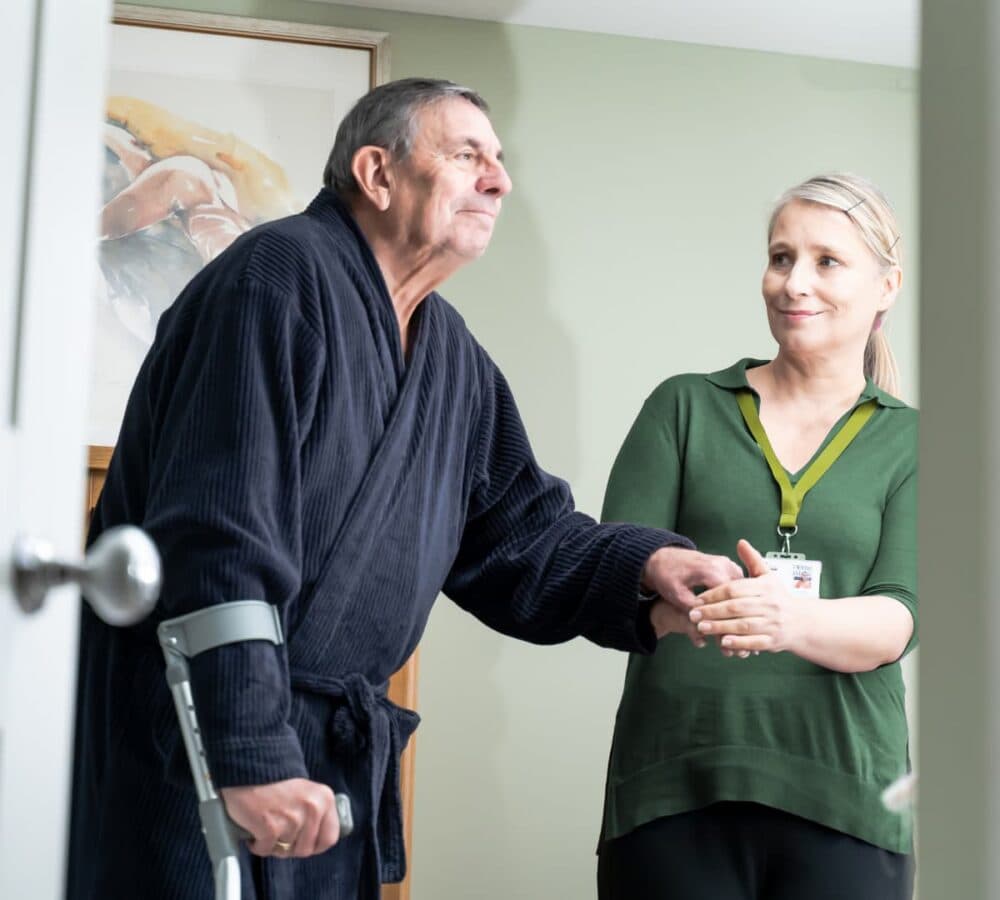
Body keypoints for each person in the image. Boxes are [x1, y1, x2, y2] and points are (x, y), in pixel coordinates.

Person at [68, 78, 741, 900]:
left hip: (322, 767)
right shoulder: (272, 280)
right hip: (198, 733)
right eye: (468, 156)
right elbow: (217, 536)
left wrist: (647, 573)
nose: (499, 180)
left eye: (499, 161)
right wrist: (246, 753)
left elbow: (521, 539)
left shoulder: (451, 357)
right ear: (378, 174)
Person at [596, 173, 917, 900]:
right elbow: (610, 573)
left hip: (848, 801)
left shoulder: (916, 442)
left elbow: (898, 617)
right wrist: (661, 585)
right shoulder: (683, 407)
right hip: (673, 788)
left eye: (826, 261)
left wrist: (788, 618)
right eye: (780, 258)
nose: (793, 282)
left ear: (886, 285)